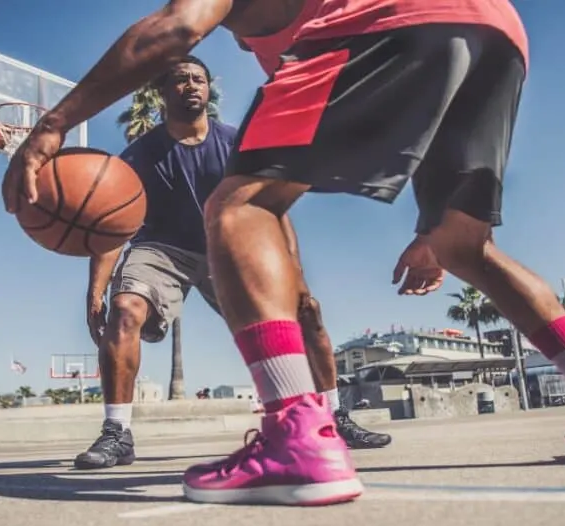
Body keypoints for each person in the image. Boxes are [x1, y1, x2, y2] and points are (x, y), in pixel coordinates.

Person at [2, 0, 565, 506]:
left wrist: (52, 125)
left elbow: (178, 27)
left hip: (386, 26)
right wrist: (431, 224)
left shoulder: (299, 27)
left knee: (239, 205)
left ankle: (297, 434)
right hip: (494, 30)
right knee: (465, 245)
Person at [74, 55, 390, 470]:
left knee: (306, 313)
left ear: (208, 90)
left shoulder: (236, 144)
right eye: (182, 80)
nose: (191, 86)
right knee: (124, 309)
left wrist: (292, 268)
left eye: (199, 80)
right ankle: (117, 432)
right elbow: (111, 225)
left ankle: (333, 416)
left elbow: (273, 209)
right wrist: (97, 289)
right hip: (163, 248)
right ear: (163, 92)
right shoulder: (138, 156)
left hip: (231, 242)